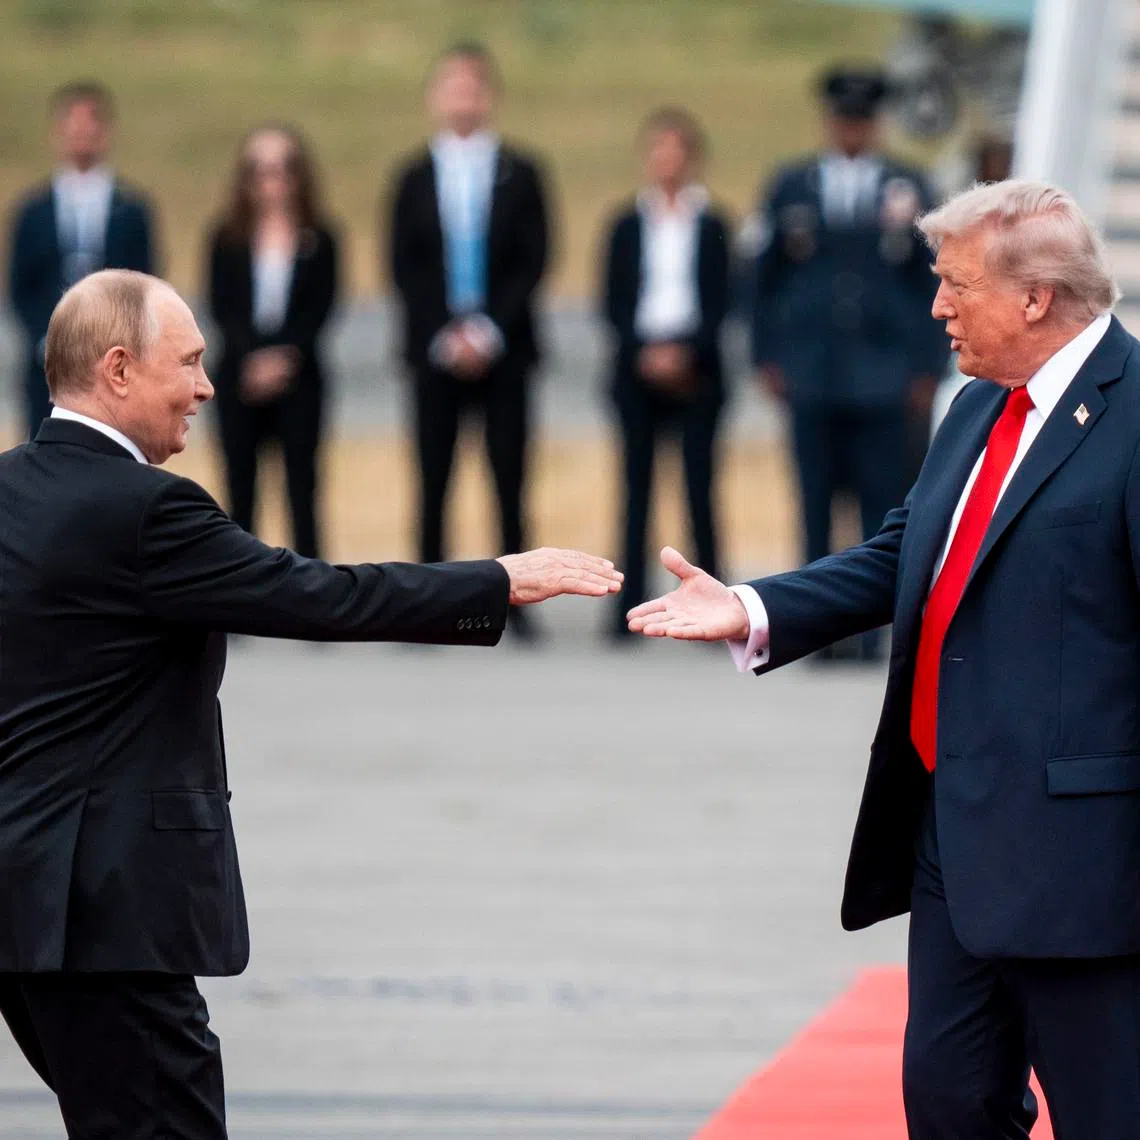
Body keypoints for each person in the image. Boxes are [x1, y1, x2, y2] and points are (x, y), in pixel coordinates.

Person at [0, 269, 621, 1139]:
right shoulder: (146, 511)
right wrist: (499, 579)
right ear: (117, 370)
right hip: (109, 919)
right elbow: (320, 594)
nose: (206, 387)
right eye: (189, 362)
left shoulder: (11, 490)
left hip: (26, 914)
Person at [629, 181, 1140, 1138]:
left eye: (957, 286)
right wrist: (747, 604)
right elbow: (899, 554)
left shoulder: (1134, 417)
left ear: (1036, 297)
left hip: (1085, 864)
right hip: (955, 838)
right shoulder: (979, 409)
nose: (936, 307)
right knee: (947, 1104)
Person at [751, 64, 947, 660]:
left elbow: (934, 281)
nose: (852, 129)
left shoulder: (909, 184)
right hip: (812, 370)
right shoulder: (791, 184)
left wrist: (926, 366)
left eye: (862, 119)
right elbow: (762, 279)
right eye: (843, 118)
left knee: (881, 505)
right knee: (813, 501)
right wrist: (767, 355)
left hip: (885, 375)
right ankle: (813, 629)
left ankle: (869, 634)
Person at [387, 41, 550, 639]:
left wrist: (487, 329)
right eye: (452, 85)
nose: (463, 96)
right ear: (435, 96)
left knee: (509, 478)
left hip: (503, 350)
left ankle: (519, 605)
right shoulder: (412, 175)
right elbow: (403, 263)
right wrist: (444, 332)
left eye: (474, 86)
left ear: (490, 96)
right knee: (433, 477)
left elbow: (534, 258)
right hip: (434, 352)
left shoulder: (520, 170)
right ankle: (428, 605)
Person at [602, 107, 730, 640]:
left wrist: (685, 353)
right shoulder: (626, 224)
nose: (668, 160)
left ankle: (712, 604)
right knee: (635, 487)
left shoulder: (714, 224)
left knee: (700, 486)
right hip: (638, 365)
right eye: (659, 149)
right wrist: (645, 351)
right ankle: (626, 606)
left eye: (678, 149)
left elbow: (724, 298)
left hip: (696, 368)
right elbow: (612, 299)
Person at [207, 124, 337, 559]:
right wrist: (252, 358)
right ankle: (239, 593)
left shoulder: (321, 238)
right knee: (240, 489)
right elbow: (221, 306)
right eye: (259, 170)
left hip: (299, 376)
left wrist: (284, 357)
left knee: (303, 488)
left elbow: (321, 307)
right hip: (239, 376)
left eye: (283, 169)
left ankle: (315, 598)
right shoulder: (225, 238)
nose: (272, 181)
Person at [7, 81, 155, 441]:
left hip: (114, 361)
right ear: (58, 131)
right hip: (46, 363)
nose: (82, 134)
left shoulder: (132, 210)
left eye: (91, 125)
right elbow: (19, 284)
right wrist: (48, 338)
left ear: (105, 131)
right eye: (73, 125)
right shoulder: (33, 211)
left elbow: (144, 281)